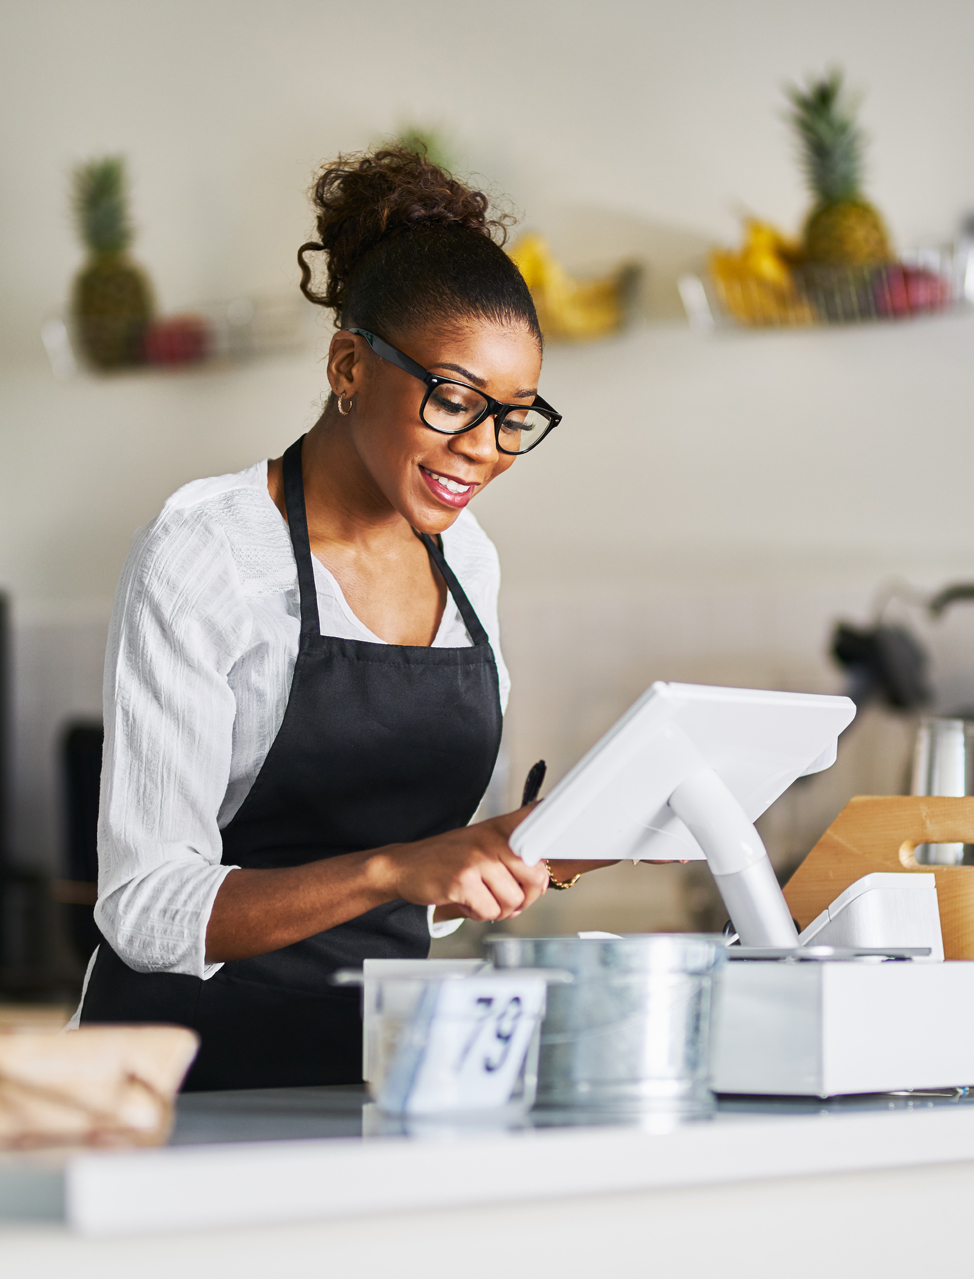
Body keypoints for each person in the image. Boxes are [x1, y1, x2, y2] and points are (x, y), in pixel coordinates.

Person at [77, 147, 608, 1090]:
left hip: (378, 1070)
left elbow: (421, 891)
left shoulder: (468, 559)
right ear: (350, 363)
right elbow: (144, 906)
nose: (484, 449)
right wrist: (393, 870)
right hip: (184, 1082)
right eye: (454, 399)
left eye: (516, 417)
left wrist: (513, 852)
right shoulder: (207, 553)